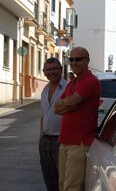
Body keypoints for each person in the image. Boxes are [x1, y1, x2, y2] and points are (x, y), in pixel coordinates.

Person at [54, 47, 101, 191]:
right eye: (71, 59)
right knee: (62, 185)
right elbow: (57, 108)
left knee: (71, 187)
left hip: (79, 143)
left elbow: (70, 102)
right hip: (65, 141)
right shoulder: (73, 83)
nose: (73, 63)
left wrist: (68, 103)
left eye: (78, 59)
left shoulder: (90, 81)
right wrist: (69, 104)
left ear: (87, 60)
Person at [39, 58, 67, 191]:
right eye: (48, 70)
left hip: (61, 141)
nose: (52, 72)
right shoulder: (45, 90)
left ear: (61, 70)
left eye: (55, 69)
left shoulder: (67, 88)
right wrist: (41, 137)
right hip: (45, 141)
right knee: (49, 178)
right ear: (44, 72)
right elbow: (43, 115)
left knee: (63, 179)